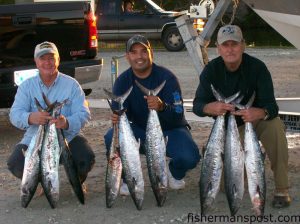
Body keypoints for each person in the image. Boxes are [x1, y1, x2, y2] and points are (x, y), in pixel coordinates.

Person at [193, 24, 291, 208]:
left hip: (256, 122)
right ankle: (243, 172)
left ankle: (282, 188)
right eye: (225, 45)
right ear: (218, 48)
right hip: (231, 128)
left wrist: (260, 112)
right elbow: (198, 104)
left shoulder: (258, 68)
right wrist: (210, 107)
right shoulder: (211, 70)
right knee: (224, 186)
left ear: (243, 45)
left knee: (275, 126)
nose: (230, 49)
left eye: (234, 44)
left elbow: (272, 106)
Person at [104, 34, 200, 195]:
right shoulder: (122, 81)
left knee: (190, 157)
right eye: (133, 52)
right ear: (128, 56)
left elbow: (178, 115)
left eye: (143, 51)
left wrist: (162, 107)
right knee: (110, 137)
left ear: (151, 53)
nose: (139, 56)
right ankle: (129, 177)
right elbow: (121, 116)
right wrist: (117, 119)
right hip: (141, 132)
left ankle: (174, 172)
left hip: (172, 130)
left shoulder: (167, 78)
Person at [7, 41, 95, 191]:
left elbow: (84, 114)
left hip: (68, 137)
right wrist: (30, 117)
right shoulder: (26, 86)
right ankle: (42, 181)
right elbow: (14, 114)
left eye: (51, 58)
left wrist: (67, 122)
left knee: (86, 159)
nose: (48, 62)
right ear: (36, 62)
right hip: (35, 139)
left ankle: (77, 180)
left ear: (58, 60)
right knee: (15, 164)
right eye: (43, 58)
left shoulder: (72, 84)